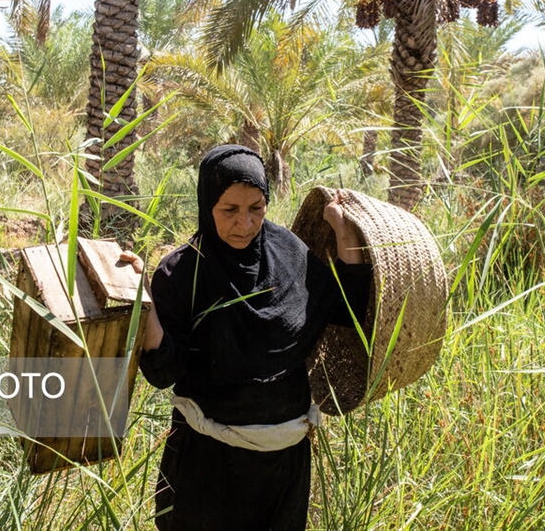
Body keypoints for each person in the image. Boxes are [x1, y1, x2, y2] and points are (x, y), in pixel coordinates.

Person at [122, 144, 372, 531]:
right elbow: (162, 372)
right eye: (230, 210)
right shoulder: (182, 274)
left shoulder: (290, 253)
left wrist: (343, 230)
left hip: (283, 467)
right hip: (207, 468)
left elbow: (347, 309)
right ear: (207, 205)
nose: (245, 223)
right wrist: (145, 304)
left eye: (256, 208)